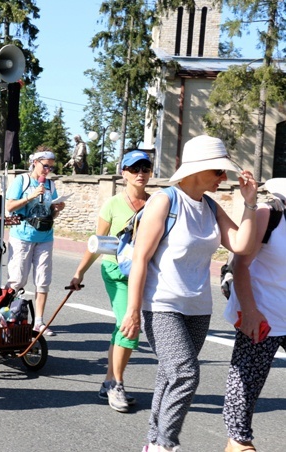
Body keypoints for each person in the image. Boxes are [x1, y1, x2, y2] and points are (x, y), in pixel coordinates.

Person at [119, 135, 258, 452]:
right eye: (219, 172)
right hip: (162, 305)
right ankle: (165, 446)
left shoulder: (210, 206)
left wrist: (250, 201)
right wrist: (132, 310)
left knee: (169, 375)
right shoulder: (165, 202)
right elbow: (140, 258)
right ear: (199, 170)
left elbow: (242, 245)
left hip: (198, 308)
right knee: (186, 374)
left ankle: (153, 443)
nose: (223, 178)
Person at [69, 150, 152, 413]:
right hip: (116, 272)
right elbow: (97, 243)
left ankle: (108, 381)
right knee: (129, 326)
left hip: (145, 273)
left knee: (122, 325)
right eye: (134, 168)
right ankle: (116, 383)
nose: (140, 173)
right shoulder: (113, 204)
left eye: (145, 168)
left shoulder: (156, 203)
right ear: (124, 173)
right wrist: (79, 272)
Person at [222, 178, 286, 452]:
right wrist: (249, 311)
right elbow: (240, 264)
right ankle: (238, 443)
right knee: (247, 383)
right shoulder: (268, 214)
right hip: (263, 313)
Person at [5, 146, 66, 336]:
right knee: (17, 280)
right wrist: (30, 196)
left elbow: (50, 213)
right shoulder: (22, 180)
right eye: (46, 166)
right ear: (35, 162)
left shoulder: (50, 185)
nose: (48, 170)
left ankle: (38, 322)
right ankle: (6, 315)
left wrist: (57, 208)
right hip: (22, 236)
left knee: (43, 281)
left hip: (45, 236)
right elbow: (9, 206)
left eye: (51, 167)